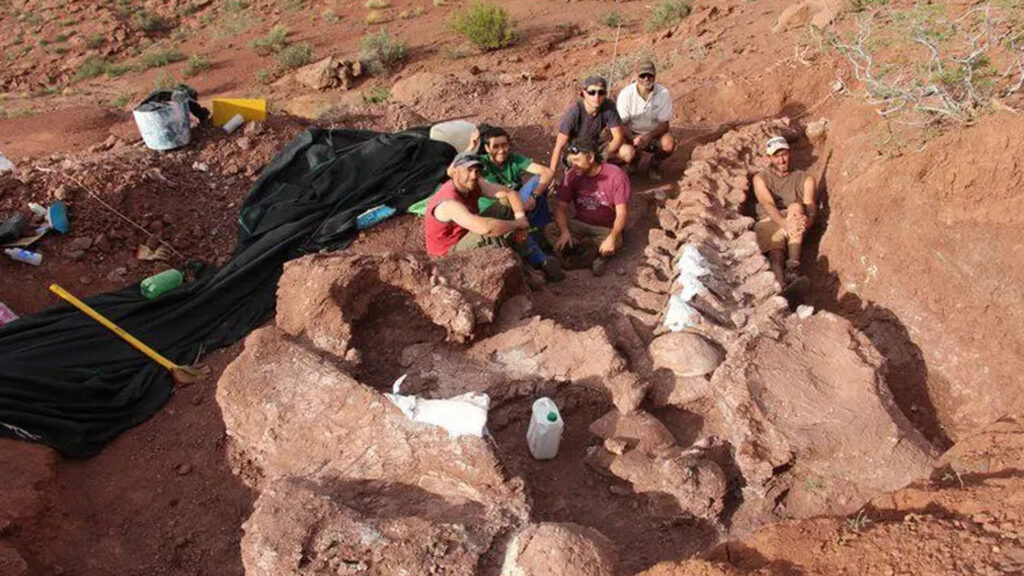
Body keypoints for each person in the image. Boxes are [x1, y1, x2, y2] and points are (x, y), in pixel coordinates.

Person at [470, 126, 563, 280]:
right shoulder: (481, 164)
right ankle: (540, 261)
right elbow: (457, 168)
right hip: (498, 211)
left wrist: (533, 196)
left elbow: (547, 172)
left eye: (504, 145)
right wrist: (471, 147)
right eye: (496, 146)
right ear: (486, 148)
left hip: (519, 206)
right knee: (511, 211)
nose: (501, 150)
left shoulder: (513, 158)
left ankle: (541, 232)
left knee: (538, 182)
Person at [546, 139, 632, 277]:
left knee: (615, 240)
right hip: (580, 224)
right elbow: (561, 208)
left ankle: (577, 254)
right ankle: (591, 256)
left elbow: (622, 214)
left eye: (577, 160)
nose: (573, 165)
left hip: (605, 228)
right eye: (571, 162)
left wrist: (612, 236)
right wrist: (564, 232)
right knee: (550, 230)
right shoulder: (572, 175)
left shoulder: (616, 176)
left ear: (591, 157)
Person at [425, 153, 529, 258]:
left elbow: (509, 193)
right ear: (455, 172)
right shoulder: (449, 203)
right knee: (487, 234)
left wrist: (521, 218)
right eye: (469, 170)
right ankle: (515, 262)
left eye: (476, 171)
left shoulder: (474, 184)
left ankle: (525, 251)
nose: (474, 175)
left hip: (467, 233)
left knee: (505, 203)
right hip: (447, 254)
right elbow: (486, 229)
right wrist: (517, 224)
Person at [751, 136, 816, 291]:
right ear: (769, 157)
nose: (781, 160)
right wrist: (784, 224)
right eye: (776, 156)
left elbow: (810, 207)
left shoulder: (805, 179)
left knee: (795, 207)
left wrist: (807, 223)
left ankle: (793, 267)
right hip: (770, 220)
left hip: (796, 223)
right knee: (775, 254)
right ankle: (782, 286)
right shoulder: (760, 178)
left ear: (789, 153)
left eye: (784, 155)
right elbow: (768, 204)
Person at [548, 76, 635, 177]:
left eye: (600, 92)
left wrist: (600, 156)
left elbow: (618, 137)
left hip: (596, 148)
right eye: (592, 92)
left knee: (628, 152)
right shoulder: (574, 113)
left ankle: (606, 172)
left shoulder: (609, 107)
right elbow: (559, 146)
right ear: (584, 93)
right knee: (580, 168)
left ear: (605, 94)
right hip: (577, 150)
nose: (596, 96)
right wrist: (551, 174)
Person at [616, 59, 676, 181]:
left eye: (650, 75)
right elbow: (620, 124)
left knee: (669, 143)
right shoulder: (626, 94)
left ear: (655, 75)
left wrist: (648, 136)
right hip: (631, 134)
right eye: (642, 75)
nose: (646, 78)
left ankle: (654, 164)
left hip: (653, 134)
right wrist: (633, 138)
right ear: (635, 76)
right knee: (622, 147)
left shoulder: (663, 93)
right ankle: (634, 160)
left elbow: (664, 124)